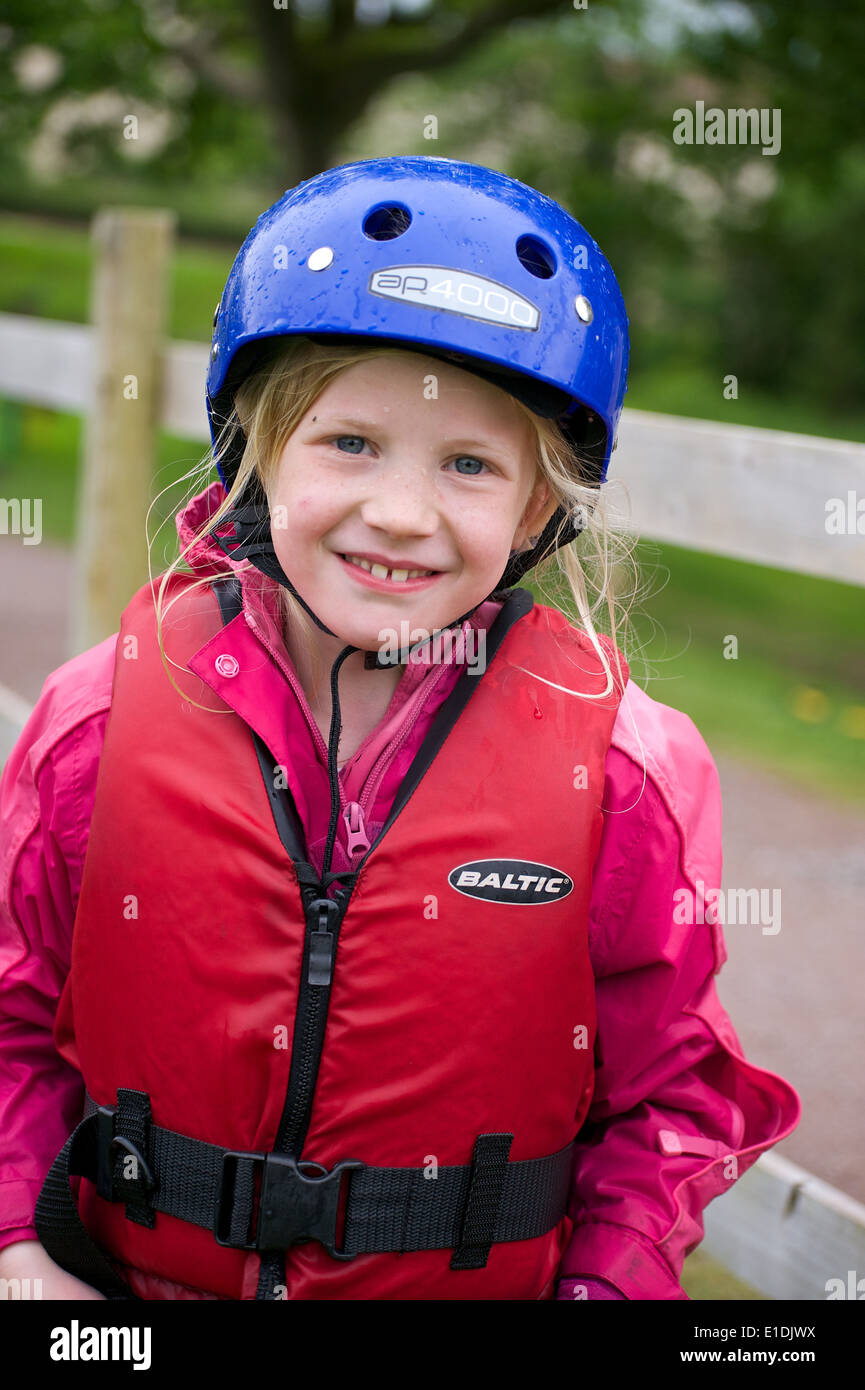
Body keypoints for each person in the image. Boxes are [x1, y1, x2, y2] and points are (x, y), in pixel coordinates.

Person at [0, 156, 800, 1301]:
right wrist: (20, 1254)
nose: (400, 513)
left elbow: (671, 1101)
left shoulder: (624, 768)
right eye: (350, 444)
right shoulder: (102, 716)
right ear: (258, 446)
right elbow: (12, 1014)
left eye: (468, 465)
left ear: (536, 508)